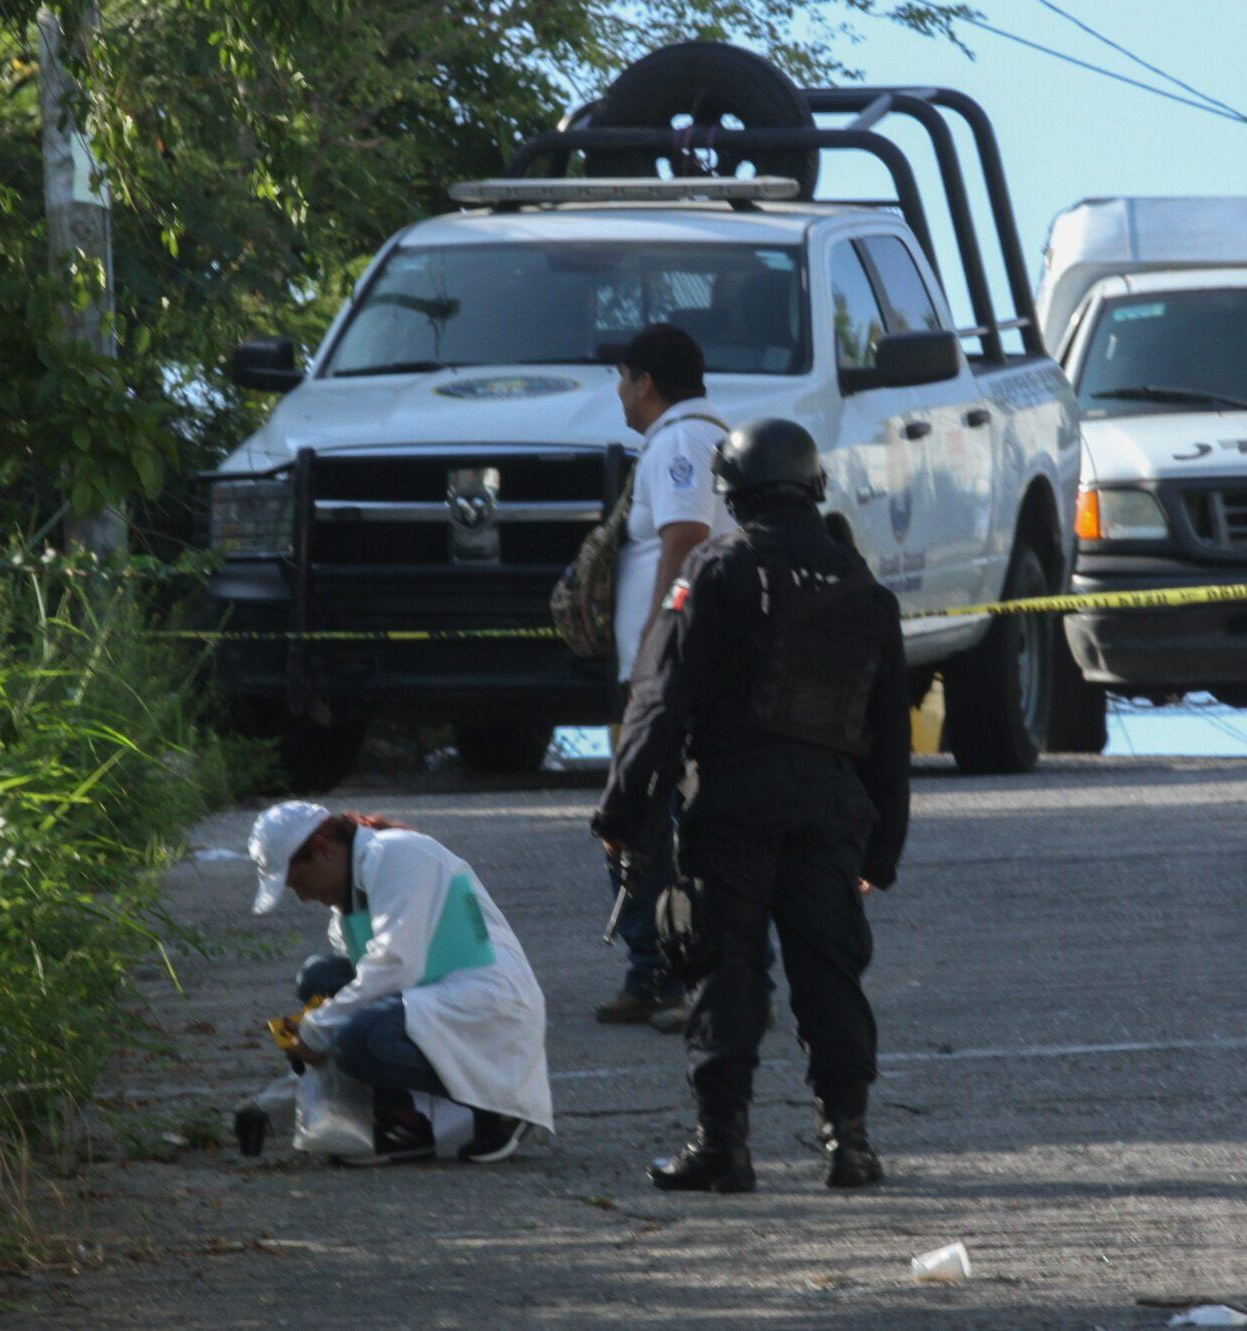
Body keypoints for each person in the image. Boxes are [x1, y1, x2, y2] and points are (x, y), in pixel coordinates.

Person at [592, 417, 912, 1193]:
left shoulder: (715, 567)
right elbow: (889, 735)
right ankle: (851, 1144)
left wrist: (621, 812)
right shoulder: (863, 587)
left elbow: (661, 701)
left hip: (734, 802)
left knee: (724, 968)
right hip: (830, 809)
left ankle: (723, 1145)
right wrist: (882, 849)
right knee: (830, 971)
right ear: (817, 487)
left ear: (732, 494)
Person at [247, 801, 554, 1163]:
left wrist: (315, 1030)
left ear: (323, 849)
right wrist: (270, 1105)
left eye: (298, 880)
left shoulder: (396, 854)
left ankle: (499, 1107)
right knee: (321, 978)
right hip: (434, 991)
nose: (303, 896)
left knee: (355, 1039)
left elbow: (396, 964)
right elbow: (363, 986)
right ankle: (407, 1118)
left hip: (487, 1003)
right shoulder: (350, 897)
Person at [596, 323, 735, 1029]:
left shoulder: (680, 441)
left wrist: (656, 647)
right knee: (666, 821)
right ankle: (669, 970)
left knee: (653, 821)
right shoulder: (700, 434)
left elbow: (685, 540)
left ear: (645, 381)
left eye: (622, 377)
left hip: (675, 671)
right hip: (687, 667)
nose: (618, 392)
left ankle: (674, 974)